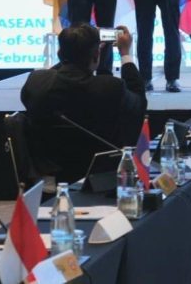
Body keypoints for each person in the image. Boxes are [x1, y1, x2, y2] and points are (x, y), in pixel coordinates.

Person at [21, 24, 146, 183]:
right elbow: (138, 103)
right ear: (96, 55)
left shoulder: (36, 82)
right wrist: (125, 54)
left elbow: (56, 75)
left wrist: (70, 55)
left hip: (48, 175)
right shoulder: (111, 88)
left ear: (60, 54)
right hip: (99, 179)